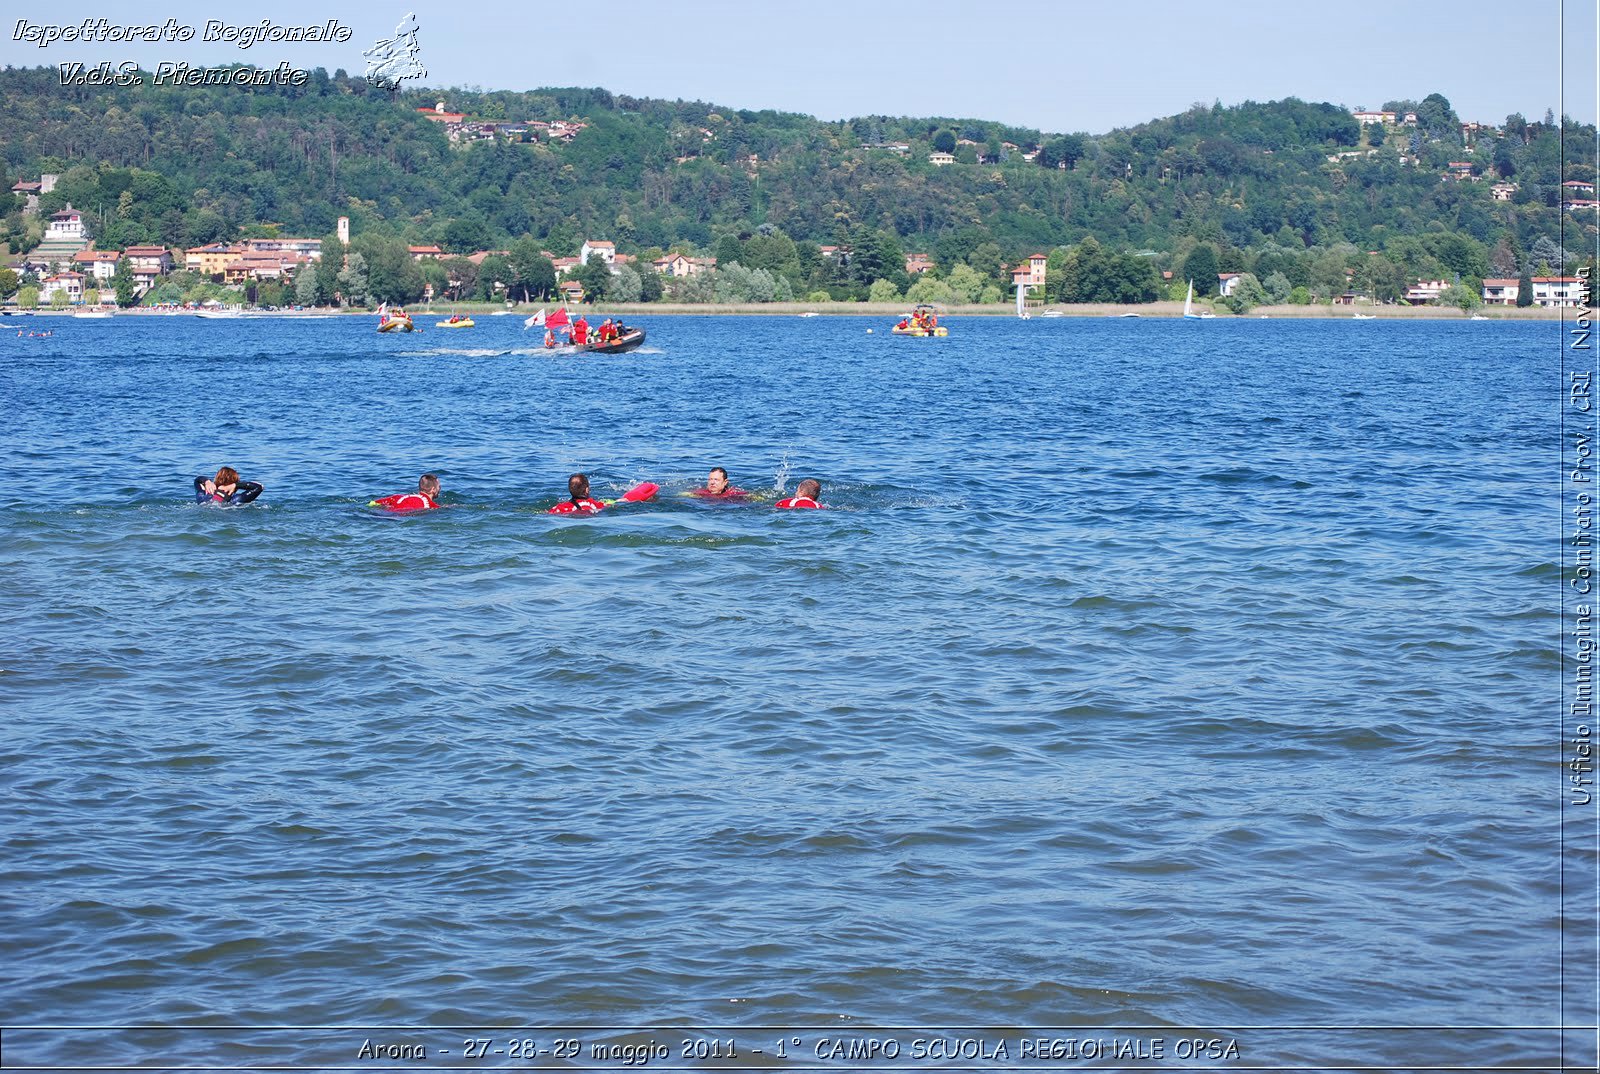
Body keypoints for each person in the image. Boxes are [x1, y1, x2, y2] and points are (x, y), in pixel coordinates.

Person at [370, 473, 443, 512]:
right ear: (433, 489)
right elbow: (439, 508)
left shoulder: (400, 496)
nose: (440, 489)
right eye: (439, 487)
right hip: (398, 516)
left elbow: (373, 503)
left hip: (384, 513)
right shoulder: (428, 503)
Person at [194, 466, 263, 505]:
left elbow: (197, 480)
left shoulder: (203, 496)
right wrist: (236, 485)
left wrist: (207, 481)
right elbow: (259, 487)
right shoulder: (235, 500)